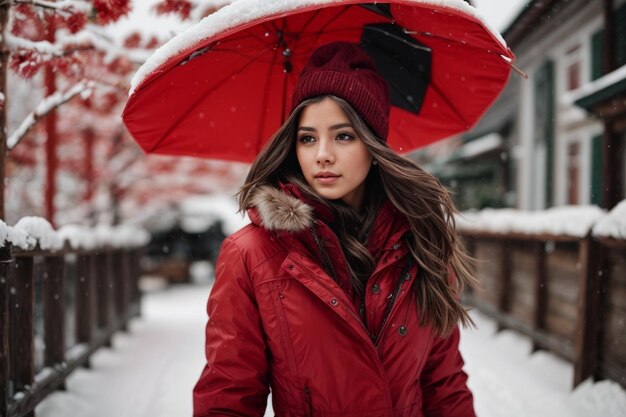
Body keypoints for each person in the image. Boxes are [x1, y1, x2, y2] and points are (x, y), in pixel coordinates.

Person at [193, 41, 477, 417]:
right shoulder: (251, 254)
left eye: (343, 135)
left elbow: (445, 385)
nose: (322, 154)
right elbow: (228, 396)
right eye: (307, 138)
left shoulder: (421, 245)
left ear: (374, 146)